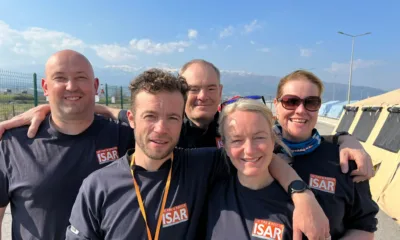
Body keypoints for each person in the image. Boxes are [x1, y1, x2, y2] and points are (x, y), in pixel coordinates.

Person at [0, 60, 374, 184]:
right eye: (193, 89)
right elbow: (118, 116)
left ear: (221, 90)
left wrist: (345, 138)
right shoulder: (158, 128)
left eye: (211, 88)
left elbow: (281, 140)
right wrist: (49, 109)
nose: (203, 96)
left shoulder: (233, 129)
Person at [65, 69, 329, 240]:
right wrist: (49, 113)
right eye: (150, 117)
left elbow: (256, 155)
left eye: (172, 117)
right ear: (131, 119)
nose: (161, 128)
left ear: (182, 121)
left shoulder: (201, 165)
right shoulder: (97, 186)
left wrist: (302, 194)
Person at [0, 50, 134, 239]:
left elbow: (155, 120)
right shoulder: (13, 144)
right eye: (60, 78)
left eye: (81, 78)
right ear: (45, 87)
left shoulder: (123, 137)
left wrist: (109, 110)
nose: (71, 86)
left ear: (95, 86)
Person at [273, 70, 379, 239]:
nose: (300, 110)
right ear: (276, 105)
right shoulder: (256, 155)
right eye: (291, 101)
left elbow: (364, 227)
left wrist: (346, 138)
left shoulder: (345, 159)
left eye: (311, 102)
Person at [205, 98, 301, 240]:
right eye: (237, 140)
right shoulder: (210, 194)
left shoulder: (298, 209)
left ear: (272, 140)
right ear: (224, 145)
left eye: (259, 137)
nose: (249, 150)